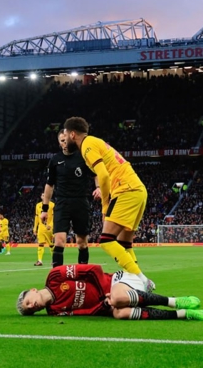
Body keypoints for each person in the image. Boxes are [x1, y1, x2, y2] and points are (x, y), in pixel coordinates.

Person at [60, 116, 153, 289]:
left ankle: (141, 279)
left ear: (73, 134)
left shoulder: (87, 145)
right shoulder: (94, 142)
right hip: (137, 189)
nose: (64, 139)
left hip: (125, 189)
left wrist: (104, 206)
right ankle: (139, 282)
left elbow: (102, 175)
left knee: (106, 240)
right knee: (125, 243)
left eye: (65, 135)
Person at [16, 263, 203, 321]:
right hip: (109, 302)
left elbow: (94, 270)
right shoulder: (54, 311)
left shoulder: (55, 277)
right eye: (31, 310)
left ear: (32, 291)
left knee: (116, 298)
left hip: (118, 280)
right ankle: (183, 314)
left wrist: (103, 294)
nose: (33, 307)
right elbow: (85, 312)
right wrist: (103, 304)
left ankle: (175, 301)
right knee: (119, 313)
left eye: (28, 303)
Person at [39, 130, 99, 268]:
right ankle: (57, 276)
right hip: (62, 203)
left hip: (80, 202)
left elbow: (96, 173)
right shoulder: (55, 160)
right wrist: (45, 209)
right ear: (59, 143)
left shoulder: (82, 157)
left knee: (81, 242)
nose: (64, 143)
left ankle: (82, 274)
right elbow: (49, 185)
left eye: (66, 140)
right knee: (59, 240)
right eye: (62, 141)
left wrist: (99, 187)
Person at [33, 193, 55, 266]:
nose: (44, 196)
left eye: (45, 195)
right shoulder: (38, 205)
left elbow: (54, 216)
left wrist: (51, 225)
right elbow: (36, 217)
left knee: (51, 245)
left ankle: (54, 260)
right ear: (41, 197)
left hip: (49, 228)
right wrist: (35, 227)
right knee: (40, 244)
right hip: (41, 228)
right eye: (42, 195)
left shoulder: (52, 205)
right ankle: (39, 261)